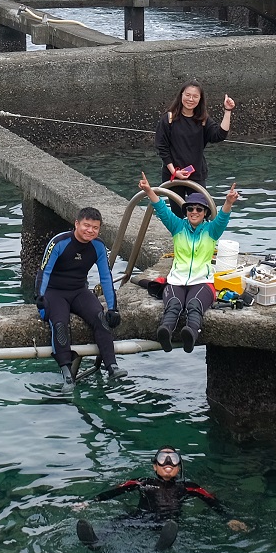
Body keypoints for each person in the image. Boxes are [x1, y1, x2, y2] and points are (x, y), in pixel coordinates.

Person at [138, 171, 238, 353]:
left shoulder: (211, 230)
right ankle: (165, 332)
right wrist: (148, 190)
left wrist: (228, 202)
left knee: (194, 305)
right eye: (190, 208)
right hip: (177, 279)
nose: (194, 212)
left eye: (199, 209)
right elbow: (161, 209)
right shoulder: (177, 226)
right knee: (173, 305)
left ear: (205, 212)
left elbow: (223, 218)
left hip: (202, 281)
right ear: (186, 211)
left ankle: (191, 334)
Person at [76, 446, 248, 550]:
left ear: (179, 467)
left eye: (173, 459)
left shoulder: (189, 487)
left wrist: (229, 518)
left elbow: (211, 501)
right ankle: (95, 542)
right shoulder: (141, 482)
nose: (167, 463)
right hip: (140, 518)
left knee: (171, 527)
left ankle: (161, 546)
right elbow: (114, 491)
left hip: (167, 524)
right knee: (117, 523)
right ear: (154, 466)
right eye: (162, 459)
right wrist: (89, 502)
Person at [37, 206, 124, 381]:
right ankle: (66, 370)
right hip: (54, 292)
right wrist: (39, 297)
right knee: (60, 323)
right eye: (86, 225)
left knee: (101, 318)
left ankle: (112, 366)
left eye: (95, 227)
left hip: (79, 291)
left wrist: (113, 308)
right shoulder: (59, 242)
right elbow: (43, 272)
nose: (90, 231)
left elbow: (106, 277)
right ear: (77, 224)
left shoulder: (98, 246)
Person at [154, 82, 234, 188]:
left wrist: (227, 111)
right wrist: (174, 171)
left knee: (199, 204)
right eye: (187, 95)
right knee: (177, 204)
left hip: (197, 175)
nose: (191, 99)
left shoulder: (203, 120)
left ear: (200, 99)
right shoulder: (168, 118)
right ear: (181, 95)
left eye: (195, 96)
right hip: (173, 174)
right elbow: (162, 147)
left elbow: (219, 135)